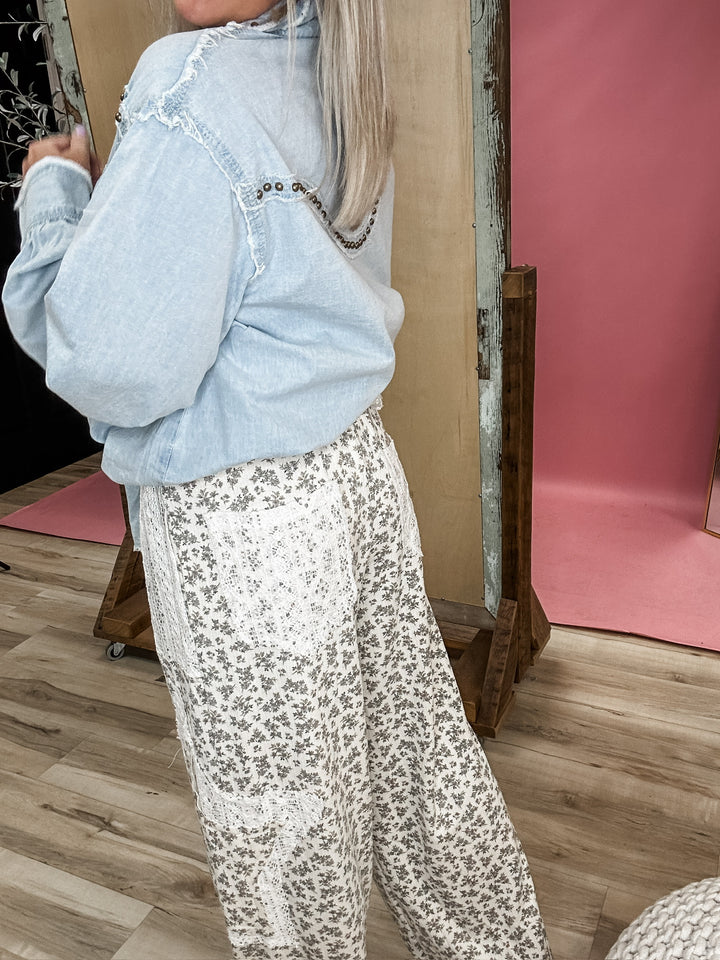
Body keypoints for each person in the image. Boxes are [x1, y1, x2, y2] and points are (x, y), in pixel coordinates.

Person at [2, 1, 553, 958]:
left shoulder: (189, 83)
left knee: (287, 833)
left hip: (243, 525)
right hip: (358, 473)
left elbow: (107, 361)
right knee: (419, 760)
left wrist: (51, 196)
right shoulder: (336, 63)